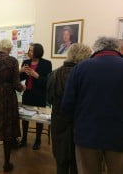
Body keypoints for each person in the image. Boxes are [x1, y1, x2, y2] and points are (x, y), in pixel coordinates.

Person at [61, 37, 123, 174]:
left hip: (87, 136)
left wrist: (78, 124)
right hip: (119, 137)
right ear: (117, 48)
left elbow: (67, 105)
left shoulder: (80, 68)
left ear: (95, 49)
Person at [47, 43, 92, 174]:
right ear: (84, 57)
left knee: (60, 159)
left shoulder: (54, 74)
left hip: (58, 120)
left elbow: (49, 99)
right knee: (76, 161)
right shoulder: (85, 76)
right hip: (78, 122)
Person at [0, 39, 26, 172]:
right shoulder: (12, 61)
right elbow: (16, 83)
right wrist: (22, 87)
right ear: (9, 48)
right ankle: (7, 164)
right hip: (8, 99)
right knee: (8, 131)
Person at [19, 43, 52, 150]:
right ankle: (24, 139)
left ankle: (38, 140)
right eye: (29, 50)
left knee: (39, 118)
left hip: (39, 95)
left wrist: (36, 75)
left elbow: (48, 82)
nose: (29, 52)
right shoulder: (26, 62)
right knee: (25, 118)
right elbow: (19, 78)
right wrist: (21, 72)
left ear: (38, 52)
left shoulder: (46, 64)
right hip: (27, 93)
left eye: (32, 50)